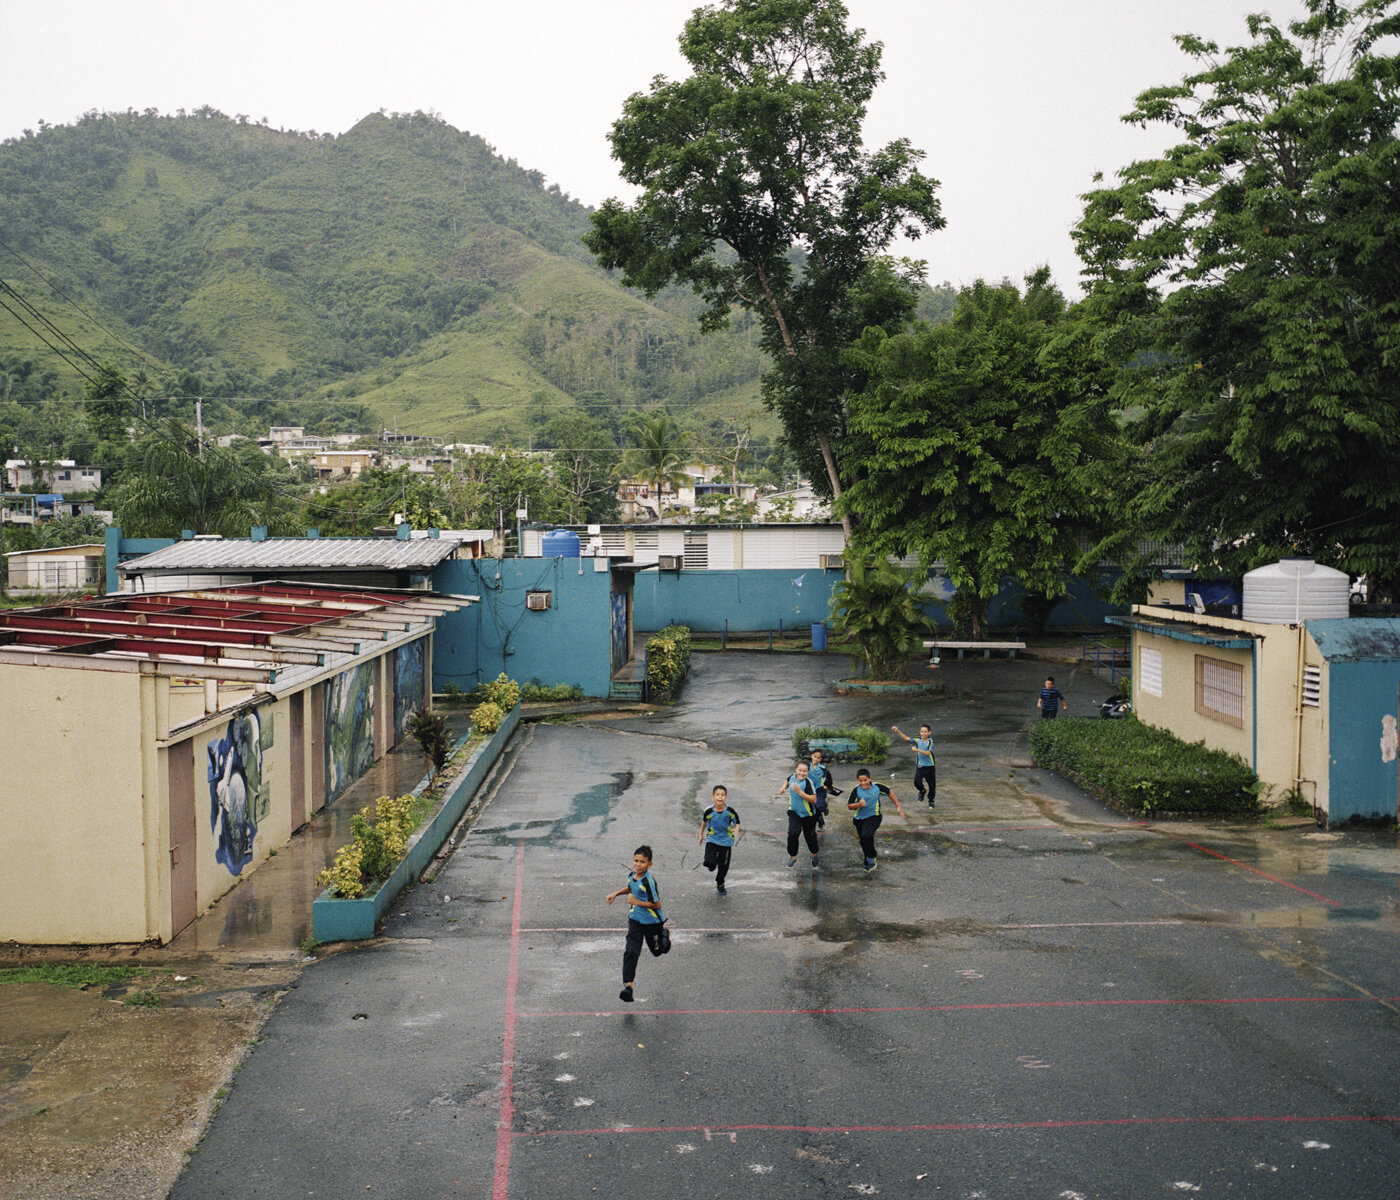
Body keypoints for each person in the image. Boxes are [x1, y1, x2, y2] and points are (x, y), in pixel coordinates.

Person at [604, 845, 666, 1003]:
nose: (638, 865)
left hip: (652, 922)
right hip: (636, 920)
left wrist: (636, 901)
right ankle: (628, 987)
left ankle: (665, 936)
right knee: (631, 951)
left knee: (658, 951)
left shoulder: (649, 882)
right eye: (636, 861)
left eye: (642, 862)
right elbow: (631, 887)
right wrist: (616, 894)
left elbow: (657, 904)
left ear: (649, 864)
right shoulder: (632, 875)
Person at [848, 769, 904, 873]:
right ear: (857, 781)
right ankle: (868, 857)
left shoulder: (877, 787)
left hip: (874, 817)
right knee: (863, 840)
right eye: (860, 781)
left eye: (865, 780)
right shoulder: (856, 790)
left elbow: (890, 792)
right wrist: (859, 804)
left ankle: (871, 857)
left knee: (866, 836)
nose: (863, 783)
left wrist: (898, 806)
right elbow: (849, 806)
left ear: (870, 779)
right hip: (859, 819)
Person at [775, 760, 820, 870]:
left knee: (809, 837)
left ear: (807, 772)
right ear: (796, 770)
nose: (801, 773)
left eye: (804, 771)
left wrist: (800, 792)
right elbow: (787, 780)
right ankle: (793, 857)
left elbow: (814, 799)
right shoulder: (792, 777)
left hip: (808, 815)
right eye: (800, 770)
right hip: (794, 812)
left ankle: (814, 854)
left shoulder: (808, 783)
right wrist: (783, 788)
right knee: (793, 834)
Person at [698, 785, 741, 895]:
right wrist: (700, 834)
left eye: (722, 795)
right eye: (717, 795)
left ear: (726, 797)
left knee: (724, 865)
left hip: (726, 841)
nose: (720, 797)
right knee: (709, 861)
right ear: (713, 797)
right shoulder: (709, 811)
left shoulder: (730, 811)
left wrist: (736, 829)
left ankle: (720, 884)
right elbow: (704, 822)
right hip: (712, 839)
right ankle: (712, 864)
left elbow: (737, 822)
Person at [891, 723, 937, 808]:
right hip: (920, 766)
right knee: (917, 782)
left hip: (930, 766)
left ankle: (931, 801)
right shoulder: (918, 739)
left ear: (929, 733)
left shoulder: (930, 741)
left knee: (932, 785)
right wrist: (897, 731)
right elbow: (906, 738)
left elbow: (927, 753)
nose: (923, 733)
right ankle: (922, 791)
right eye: (921, 731)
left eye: (925, 732)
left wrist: (917, 750)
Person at [807, 748, 841, 829]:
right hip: (811, 790)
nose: (816, 759)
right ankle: (820, 823)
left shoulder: (822, 768)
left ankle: (824, 807)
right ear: (812, 756)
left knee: (819, 806)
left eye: (818, 758)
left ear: (820, 759)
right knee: (814, 808)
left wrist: (827, 785)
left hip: (821, 789)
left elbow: (828, 778)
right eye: (814, 756)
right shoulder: (807, 766)